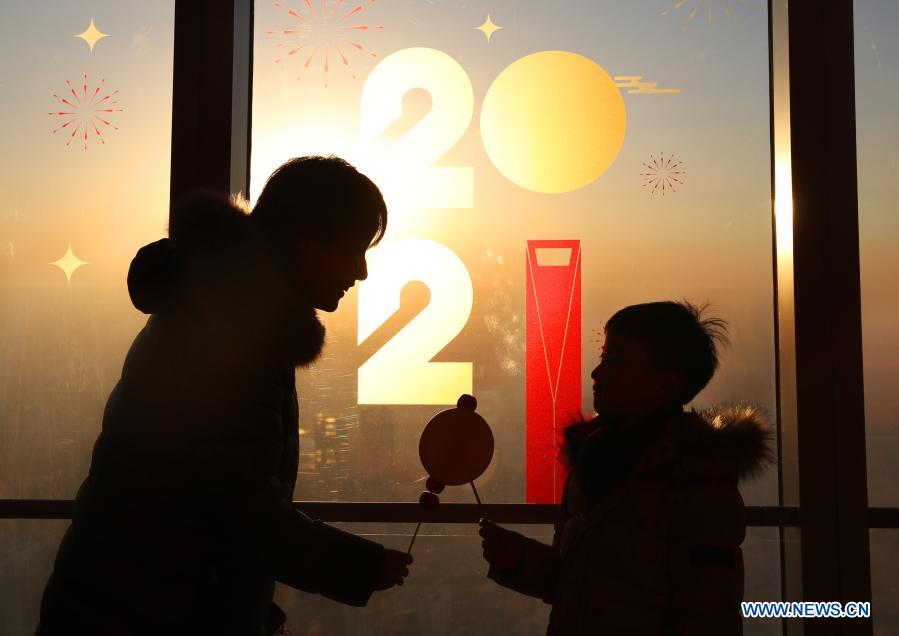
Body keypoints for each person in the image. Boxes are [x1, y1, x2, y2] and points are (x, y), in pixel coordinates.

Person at [37, 156, 412, 636]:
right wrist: (360, 566)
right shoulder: (237, 336)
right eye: (352, 250)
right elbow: (236, 509)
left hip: (116, 602)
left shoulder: (216, 309)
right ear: (307, 245)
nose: (360, 272)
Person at [479, 301, 773, 635]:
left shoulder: (698, 483)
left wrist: (521, 561)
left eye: (613, 360)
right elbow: (579, 584)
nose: (597, 372)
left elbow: (707, 613)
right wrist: (518, 558)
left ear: (663, 385)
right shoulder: (593, 461)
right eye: (604, 356)